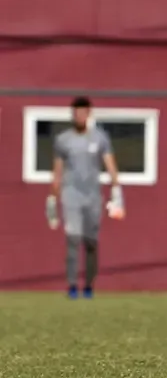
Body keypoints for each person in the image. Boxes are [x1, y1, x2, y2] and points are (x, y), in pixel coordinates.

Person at [46, 96, 125, 299]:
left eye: (82, 112)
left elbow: (110, 164)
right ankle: (72, 285)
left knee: (91, 243)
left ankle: (89, 285)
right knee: (73, 239)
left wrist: (117, 191)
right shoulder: (63, 140)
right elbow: (57, 171)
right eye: (75, 113)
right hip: (71, 195)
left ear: (89, 113)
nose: (79, 116)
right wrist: (52, 200)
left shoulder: (100, 138)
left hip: (93, 197)